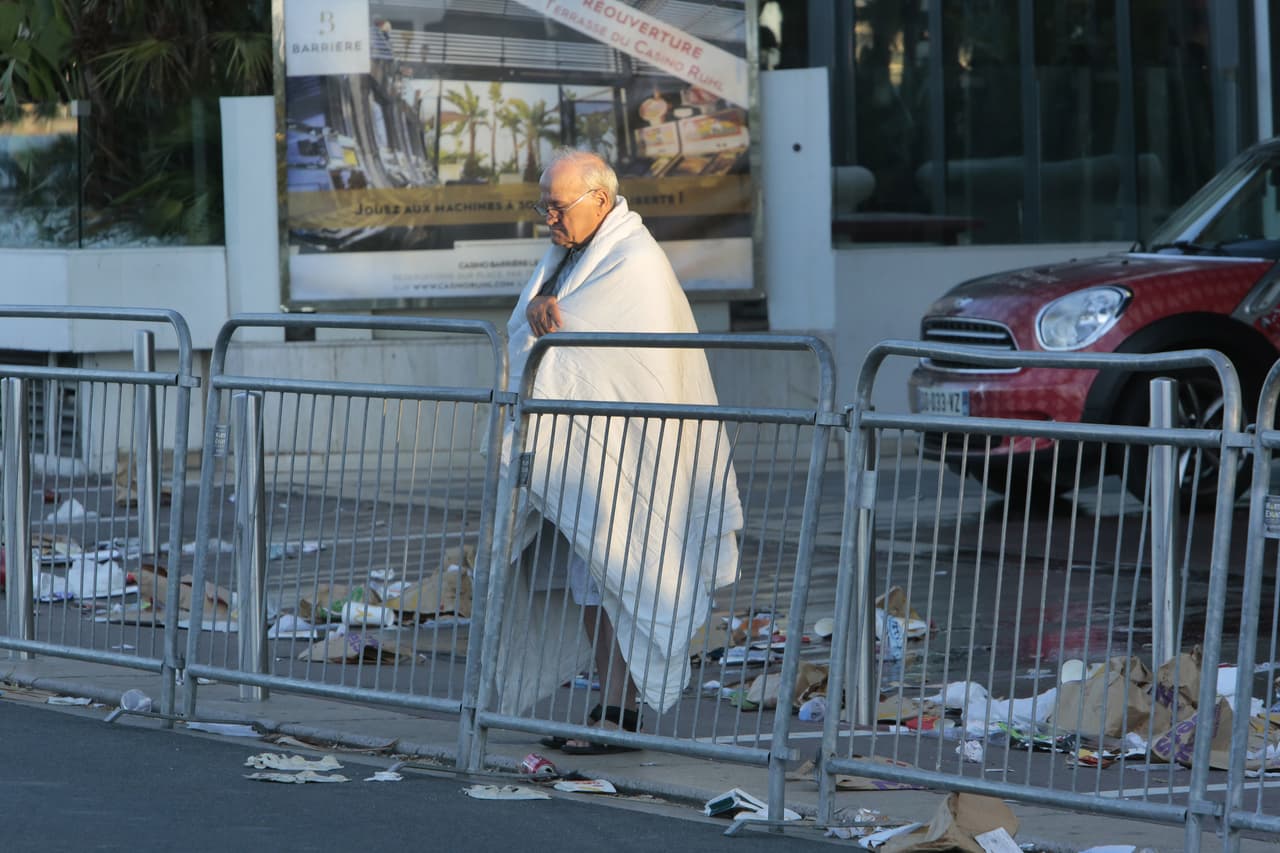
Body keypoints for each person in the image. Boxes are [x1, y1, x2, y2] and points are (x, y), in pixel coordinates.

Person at [498, 148, 743, 754]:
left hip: (634, 456)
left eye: (557, 207)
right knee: (590, 582)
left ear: (600, 200)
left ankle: (620, 711)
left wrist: (549, 320)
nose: (548, 219)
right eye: (543, 206)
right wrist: (538, 313)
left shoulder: (635, 262)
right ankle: (609, 703)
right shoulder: (569, 255)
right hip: (586, 460)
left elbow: (599, 347)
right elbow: (531, 331)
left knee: (625, 574)